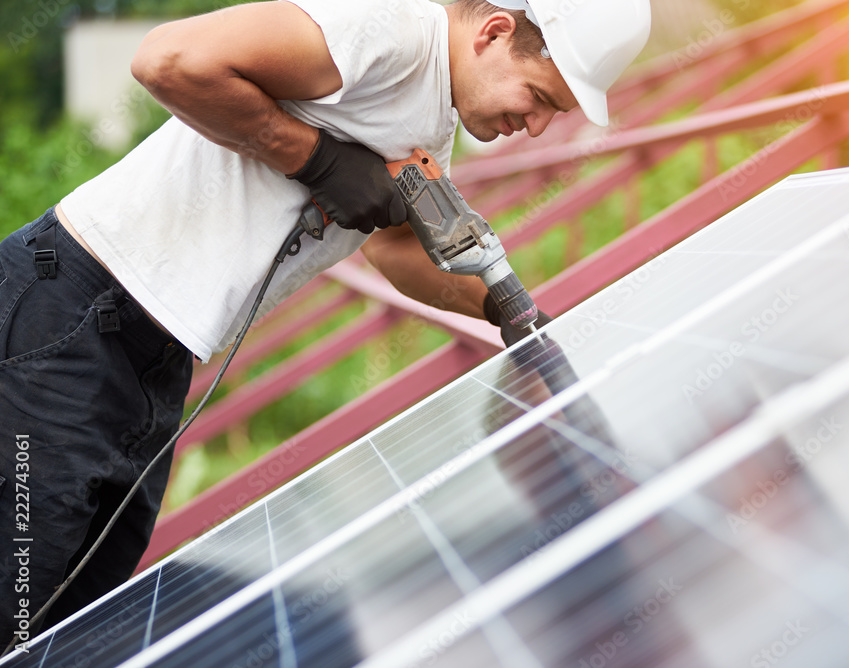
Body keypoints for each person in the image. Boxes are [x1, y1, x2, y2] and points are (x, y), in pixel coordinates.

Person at [0, 0, 650, 647]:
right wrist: (315, 159)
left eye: (552, 113)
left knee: (69, 623)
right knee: (19, 602)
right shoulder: (389, 33)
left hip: (153, 358)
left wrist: (511, 314)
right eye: (538, 96)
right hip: (74, 318)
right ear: (493, 31)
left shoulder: (430, 124)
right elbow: (167, 61)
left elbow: (395, 248)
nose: (535, 126)